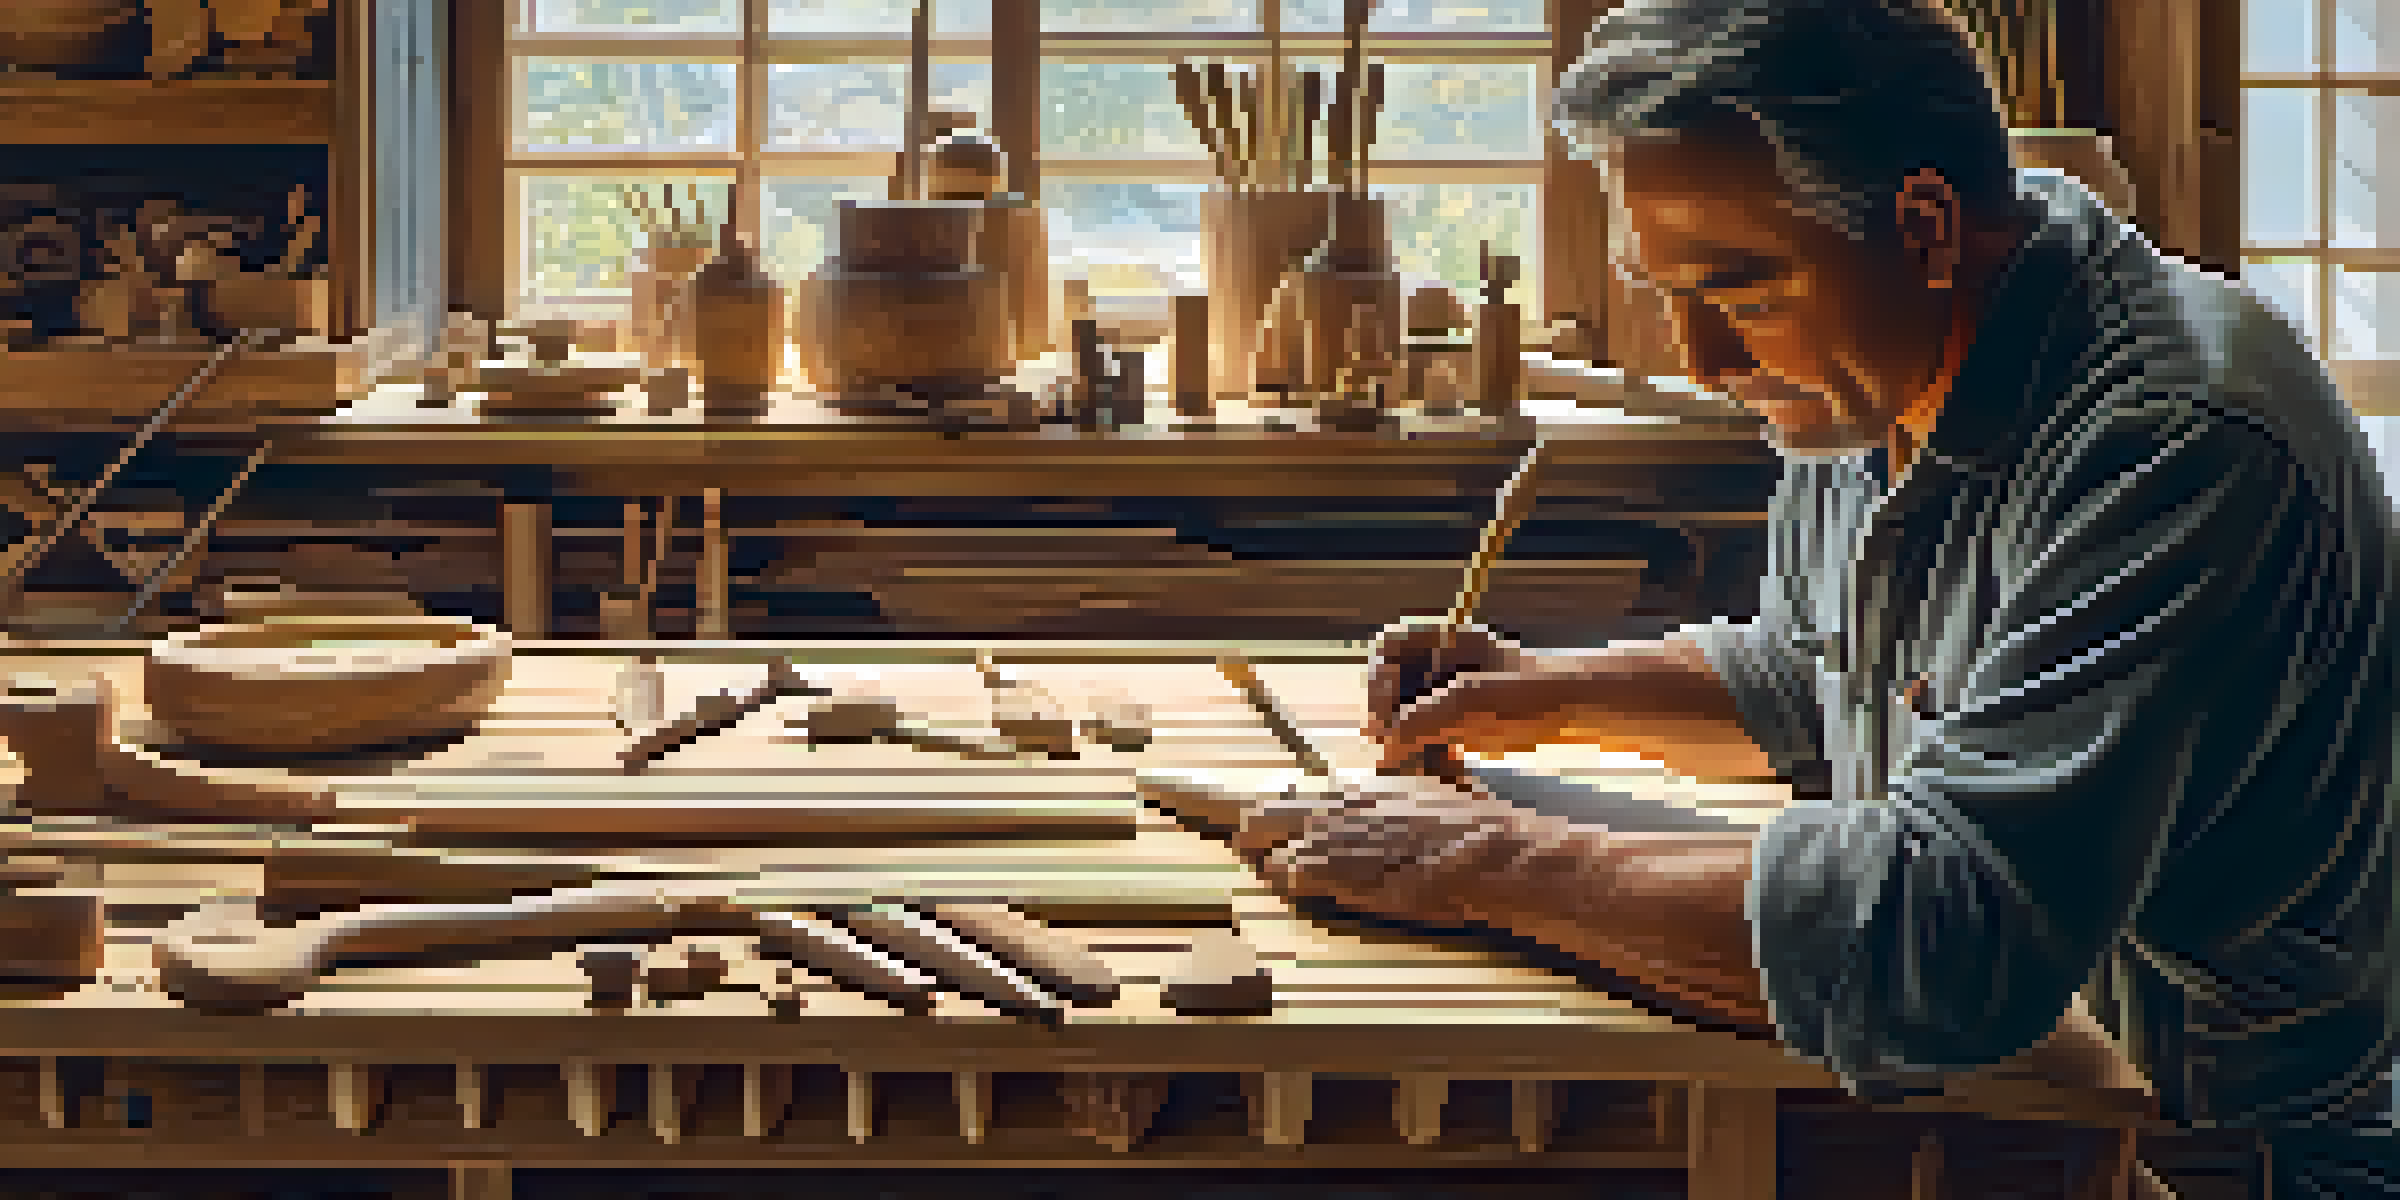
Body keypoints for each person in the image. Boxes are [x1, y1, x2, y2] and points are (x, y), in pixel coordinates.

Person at [1138, 1, 2399, 1195]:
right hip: (2029, 1100)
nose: (1702, 360)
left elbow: (1941, 944)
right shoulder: (1883, 363)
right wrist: (1544, 692)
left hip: (2216, 1155)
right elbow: (1814, 680)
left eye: (1740, 292)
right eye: (1665, 296)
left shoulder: (2172, 448)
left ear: (1924, 227)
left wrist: (1484, 859)